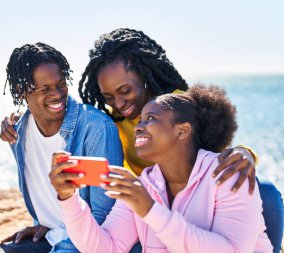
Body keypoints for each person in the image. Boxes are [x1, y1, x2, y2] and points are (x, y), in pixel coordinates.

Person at [0, 28, 283, 251]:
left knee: (264, 191)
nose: (119, 103)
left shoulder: (178, 108)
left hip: (184, 205)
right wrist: (64, 205)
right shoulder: (112, 123)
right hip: (145, 203)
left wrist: (245, 154)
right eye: (109, 97)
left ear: (144, 78)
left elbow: (214, 142)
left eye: (125, 91)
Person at [50, 84, 273, 252]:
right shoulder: (143, 185)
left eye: (151, 118)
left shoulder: (228, 173)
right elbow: (106, 248)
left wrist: (150, 210)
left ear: (182, 131)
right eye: (140, 121)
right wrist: (69, 199)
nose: (139, 127)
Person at [0, 43, 123, 253]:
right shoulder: (18, 133)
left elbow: (104, 218)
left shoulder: (97, 129)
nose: (57, 95)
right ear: (22, 92)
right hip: (47, 238)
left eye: (61, 85)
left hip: (85, 246)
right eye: (45, 89)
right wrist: (44, 223)